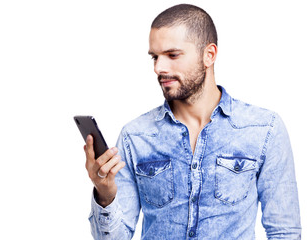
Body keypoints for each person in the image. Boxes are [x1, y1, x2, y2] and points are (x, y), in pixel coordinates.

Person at [84, 4, 301, 239]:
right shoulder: (135, 136)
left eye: (172, 55)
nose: (159, 68)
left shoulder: (264, 129)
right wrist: (104, 193)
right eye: (155, 57)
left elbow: (284, 231)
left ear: (209, 55)